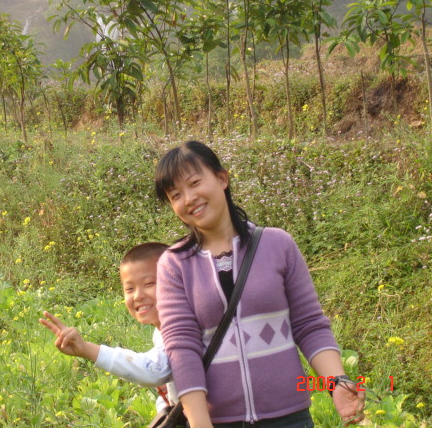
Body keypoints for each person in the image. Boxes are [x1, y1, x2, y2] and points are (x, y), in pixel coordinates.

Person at [154, 140, 365, 428]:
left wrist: (337, 382)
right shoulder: (174, 265)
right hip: (217, 421)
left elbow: (309, 324)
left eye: (194, 183)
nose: (189, 198)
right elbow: (182, 348)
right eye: (176, 194)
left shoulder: (277, 244)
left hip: (289, 418)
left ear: (222, 178)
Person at [39, 242, 176, 411]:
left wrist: (87, 349)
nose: (138, 296)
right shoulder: (160, 331)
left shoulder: (181, 328)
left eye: (149, 284)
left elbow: (153, 371)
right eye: (129, 289)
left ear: (177, 281)